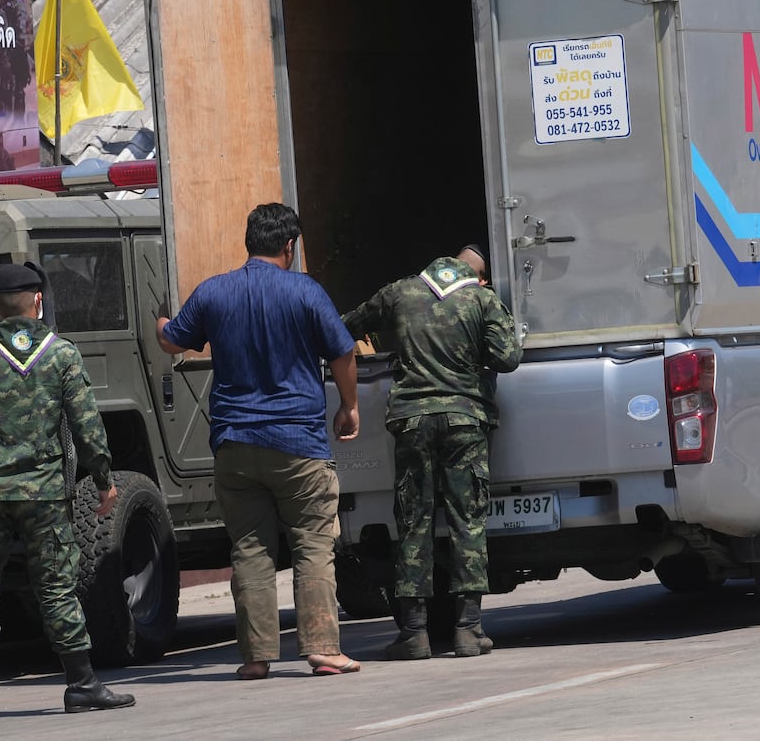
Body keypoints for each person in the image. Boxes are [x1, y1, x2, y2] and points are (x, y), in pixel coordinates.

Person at [156, 203, 362, 679]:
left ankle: (255, 657)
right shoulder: (306, 292)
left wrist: (162, 320)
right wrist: (349, 406)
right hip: (299, 444)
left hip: (235, 444)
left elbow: (173, 341)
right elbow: (343, 350)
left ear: (249, 242)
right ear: (289, 246)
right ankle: (323, 649)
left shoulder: (214, 292)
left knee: (249, 548)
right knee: (312, 544)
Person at [0, 262, 135, 727]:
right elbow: (87, 426)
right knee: (57, 587)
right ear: (38, 300)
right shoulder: (62, 354)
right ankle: (82, 684)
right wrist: (103, 480)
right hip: (45, 496)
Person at [342, 243, 521, 660]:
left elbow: (343, 326)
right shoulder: (482, 298)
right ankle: (467, 630)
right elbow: (508, 358)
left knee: (413, 522)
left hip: (412, 423)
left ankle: (415, 633)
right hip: (464, 420)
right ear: (479, 276)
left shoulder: (401, 292)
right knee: (467, 521)